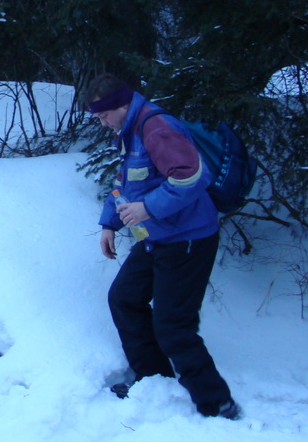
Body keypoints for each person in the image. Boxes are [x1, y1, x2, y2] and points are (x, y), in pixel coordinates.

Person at [86, 73, 240, 420]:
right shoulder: (128, 130)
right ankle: (153, 380)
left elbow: (191, 176)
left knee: (173, 324)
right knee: (125, 298)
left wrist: (148, 208)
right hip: (157, 236)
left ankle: (217, 403)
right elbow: (126, 180)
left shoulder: (156, 128)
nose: (101, 122)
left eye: (102, 115)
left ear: (121, 105)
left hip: (188, 239)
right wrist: (109, 222)